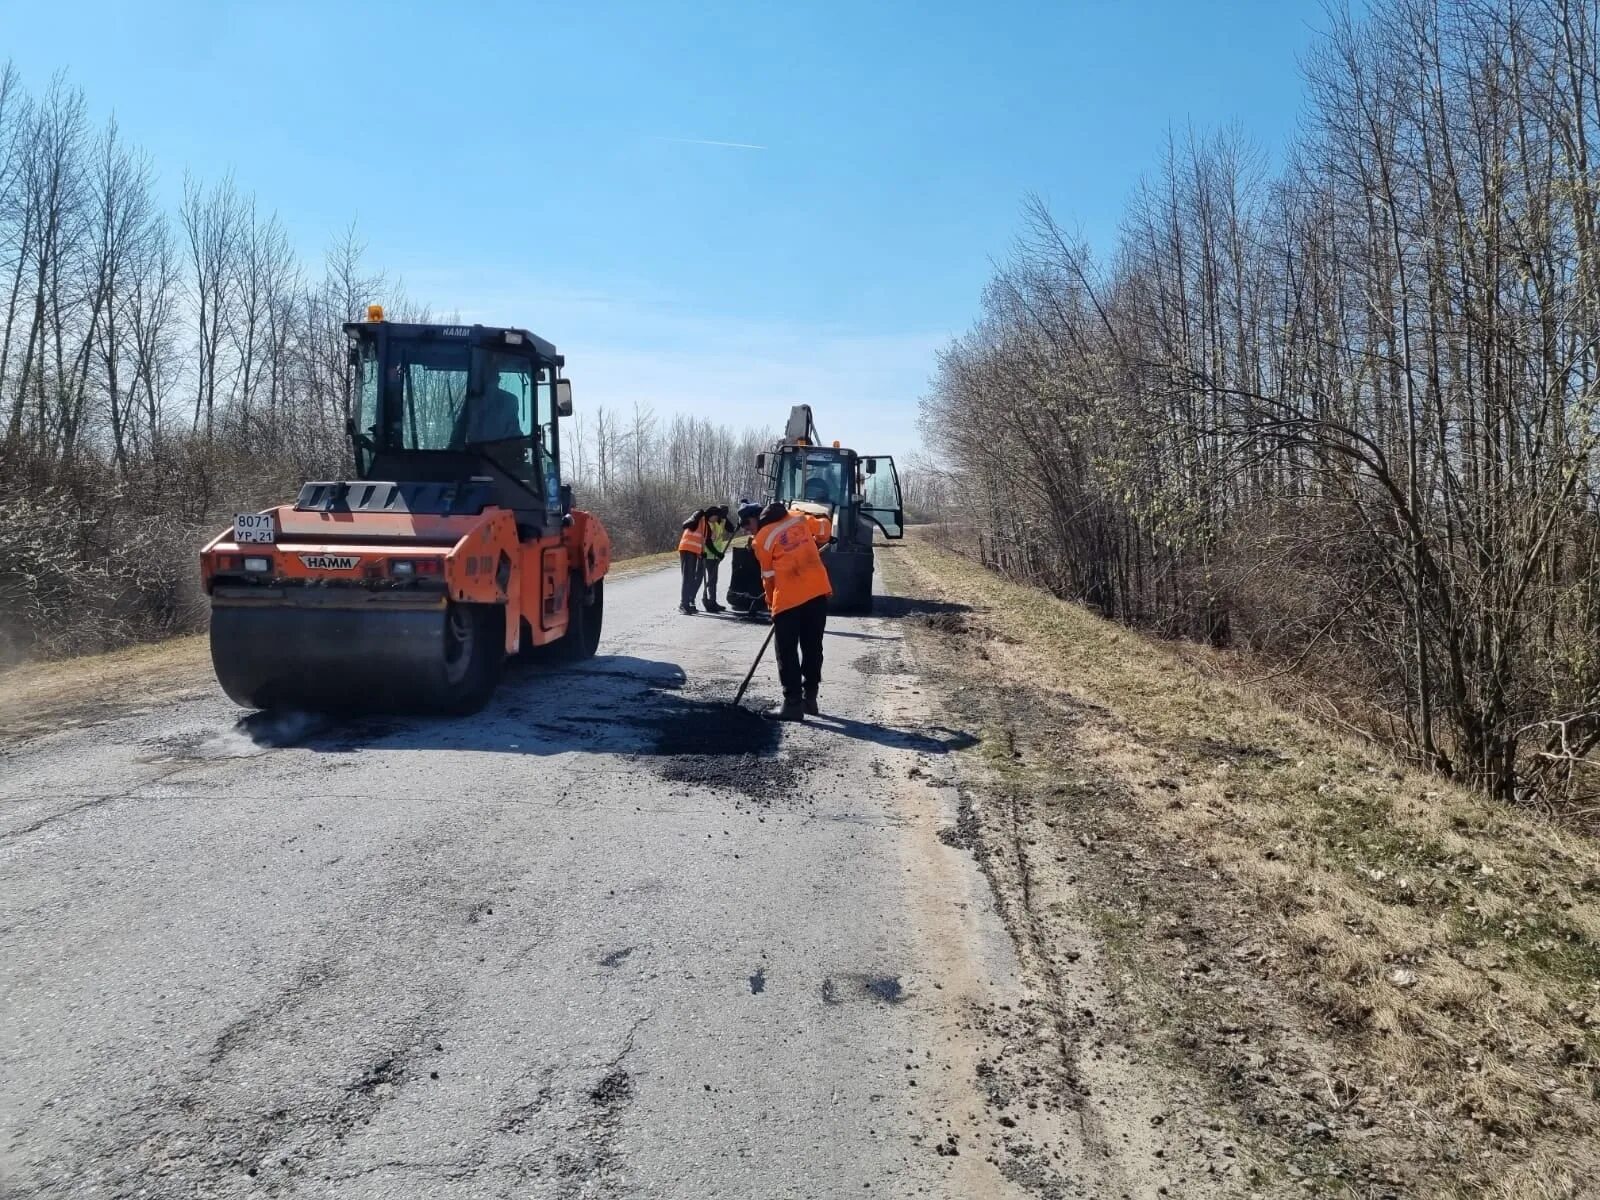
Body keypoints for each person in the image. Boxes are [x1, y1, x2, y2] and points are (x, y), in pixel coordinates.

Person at [752, 501, 833, 721]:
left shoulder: (762, 538)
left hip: (788, 599)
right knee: (812, 646)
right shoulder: (798, 517)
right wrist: (817, 536)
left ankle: (793, 704)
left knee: (786, 651)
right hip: (817, 592)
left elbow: (768, 578)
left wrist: (771, 604)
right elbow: (826, 530)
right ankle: (810, 699)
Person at [677, 508, 710, 615]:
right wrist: (701, 552)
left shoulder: (704, 522)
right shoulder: (701, 520)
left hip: (692, 550)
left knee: (690, 577)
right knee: (687, 577)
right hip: (687, 549)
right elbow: (700, 538)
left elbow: (701, 539)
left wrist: (701, 552)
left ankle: (687, 603)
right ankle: (683, 604)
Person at [701, 505, 731, 613]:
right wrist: (717, 553)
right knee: (710, 579)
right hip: (708, 554)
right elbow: (708, 542)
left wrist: (725, 518)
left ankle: (713, 601)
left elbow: (731, 529)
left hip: (715, 555)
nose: (721, 517)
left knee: (713, 579)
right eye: (720, 515)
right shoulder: (710, 523)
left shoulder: (720, 521)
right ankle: (705, 600)